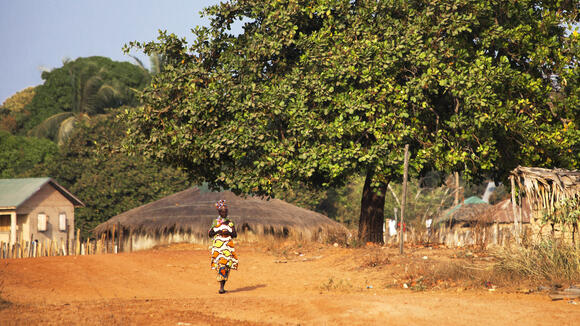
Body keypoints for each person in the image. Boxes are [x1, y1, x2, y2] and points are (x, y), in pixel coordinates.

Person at [208, 200, 238, 294]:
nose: (225, 213)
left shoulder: (230, 222)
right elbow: (210, 233)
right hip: (218, 248)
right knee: (221, 265)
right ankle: (221, 287)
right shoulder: (215, 222)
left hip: (227, 247)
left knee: (227, 265)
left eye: (226, 211)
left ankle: (222, 286)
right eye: (223, 211)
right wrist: (219, 231)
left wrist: (227, 232)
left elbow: (234, 234)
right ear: (219, 212)